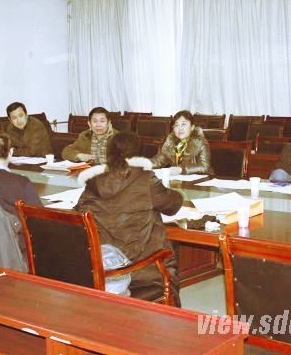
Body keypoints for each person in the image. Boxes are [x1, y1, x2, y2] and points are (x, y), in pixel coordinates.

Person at [76, 132, 183, 305]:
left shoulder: (93, 182)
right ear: (139, 153)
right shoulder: (145, 178)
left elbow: (78, 215)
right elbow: (172, 205)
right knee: (168, 250)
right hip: (141, 270)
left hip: (103, 266)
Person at [150, 110, 211, 175]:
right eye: (176, 125)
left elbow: (204, 167)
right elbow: (160, 160)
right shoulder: (171, 142)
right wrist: (146, 163)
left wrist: (181, 170)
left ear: (192, 127)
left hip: (202, 178)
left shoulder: (200, 142)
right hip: (179, 179)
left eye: (183, 124)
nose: (180, 128)